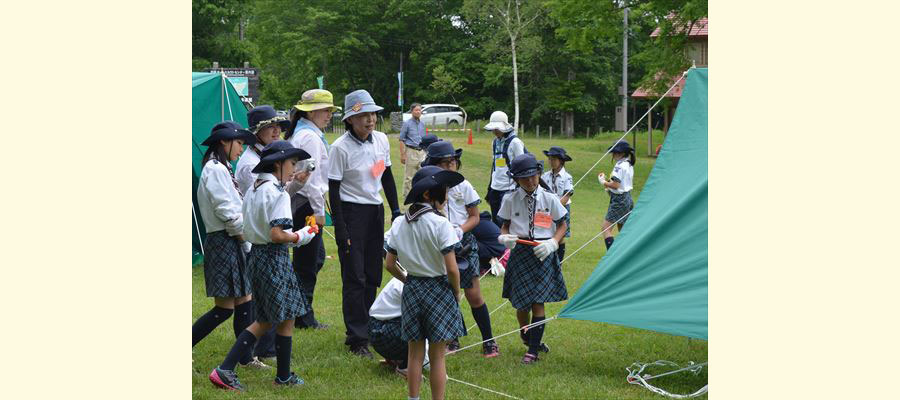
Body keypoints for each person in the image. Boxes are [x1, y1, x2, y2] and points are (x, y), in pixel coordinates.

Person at [208, 141, 318, 391]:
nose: (293, 169)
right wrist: (302, 235)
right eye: (291, 163)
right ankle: (225, 370)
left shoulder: (256, 188)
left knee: (282, 317)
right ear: (278, 163)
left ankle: (283, 375)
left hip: (257, 256)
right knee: (267, 320)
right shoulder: (276, 193)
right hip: (273, 258)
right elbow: (278, 234)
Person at [328, 89, 402, 357]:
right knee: (354, 276)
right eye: (362, 116)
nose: (369, 120)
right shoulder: (340, 148)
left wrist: (395, 209)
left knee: (373, 273)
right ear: (349, 119)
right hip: (351, 212)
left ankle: (369, 326)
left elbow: (387, 176)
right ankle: (356, 338)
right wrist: (341, 228)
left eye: (372, 114)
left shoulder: (381, 140)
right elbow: (333, 190)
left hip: (375, 211)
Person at [384, 165, 466, 400]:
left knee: (414, 354)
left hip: (413, 289)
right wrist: (456, 291)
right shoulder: (440, 224)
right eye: (443, 191)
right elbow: (452, 268)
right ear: (429, 194)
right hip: (439, 289)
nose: (446, 196)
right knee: (438, 356)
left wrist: (408, 279)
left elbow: (389, 263)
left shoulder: (399, 222)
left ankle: (413, 398)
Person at [193, 123, 269, 368]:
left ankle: (246, 358)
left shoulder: (223, 168)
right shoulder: (214, 169)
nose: (242, 148)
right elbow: (226, 210)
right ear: (225, 142)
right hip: (224, 240)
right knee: (224, 308)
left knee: (245, 300)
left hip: (234, 239)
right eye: (239, 143)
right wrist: (245, 237)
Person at [421, 141, 499, 357]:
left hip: (464, 244)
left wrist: (460, 229)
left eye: (452, 162)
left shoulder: (464, 185)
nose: (449, 167)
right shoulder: (427, 188)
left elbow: (475, 216)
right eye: (444, 163)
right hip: (439, 246)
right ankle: (452, 339)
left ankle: (489, 340)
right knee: (447, 294)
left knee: (473, 294)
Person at [497, 153, 568, 364]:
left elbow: (563, 224)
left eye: (533, 176)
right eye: (524, 178)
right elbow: (505, 224)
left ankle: (533, 351)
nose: (530, 181)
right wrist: (504, 237)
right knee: (521, 305)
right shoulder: (509, 199)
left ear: (538, 173)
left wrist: (553, 243)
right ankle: (525, 333)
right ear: (516, 179)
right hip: (521, 252)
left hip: (543, 252)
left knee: (538, 303)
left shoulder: (550, 198)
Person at [285, 89, 342, 330]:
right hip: (306, 204)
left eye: (330, 110)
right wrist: (319, 213)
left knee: (313, 258)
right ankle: (303, 316)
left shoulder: (305, 133)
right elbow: (311, 178)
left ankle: (299, 310)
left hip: (303, 202)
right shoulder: (309, 137)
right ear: (312, 112)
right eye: (326, 110)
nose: (329, 114)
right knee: (309, 261)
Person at [235, 105, 290, 195]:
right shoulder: (251, 164)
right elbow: (268, 197)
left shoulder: (264, 154)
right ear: (257, 132)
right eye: (270, 126)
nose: (277, 130)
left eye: (277, 125)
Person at [484, 111, 526, 227]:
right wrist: (490, 189)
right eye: (493, 129)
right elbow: (495, 166)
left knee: (507, 223)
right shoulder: (495, 142)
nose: (495, 131)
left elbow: (522, 167)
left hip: (509, 189)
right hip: (495, 188)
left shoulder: (515, 142)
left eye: (497, 128)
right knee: (495, 222)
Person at [597, 141, 636, 250]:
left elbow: (616, 185)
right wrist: (608, 184)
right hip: (627, 198)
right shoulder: (628, 163)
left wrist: (603, 182)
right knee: (623, 230)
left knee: (606, 228)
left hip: (619, 200)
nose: (613, 154)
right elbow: (620, 184)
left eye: (615, 152)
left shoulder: (619, 166)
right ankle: (627, 254)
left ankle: (612, 257)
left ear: (621, 153)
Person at [541, 146, 574, 260]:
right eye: (549, 159)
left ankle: (559, 261)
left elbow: (566, 196)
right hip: (546, 209)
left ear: (561, 161)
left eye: (554, 159)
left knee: (560, 236)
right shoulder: (545, 176)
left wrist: (555, 207)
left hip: (562, 208)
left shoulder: (567, 177)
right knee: (545, 233)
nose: (551, 161)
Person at [398, 103, 428, 206]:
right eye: (416, 110)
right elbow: (401, 140)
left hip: (422, 152)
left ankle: (420, 197)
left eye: (419, 110)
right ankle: (408, 199)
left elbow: (424, 140)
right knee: (409, 177)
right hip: (411, 151)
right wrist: (403, 155)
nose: (418, 112)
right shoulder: (407, 124)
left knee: (423, 175)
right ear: (412, 112)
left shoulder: (422, 124)